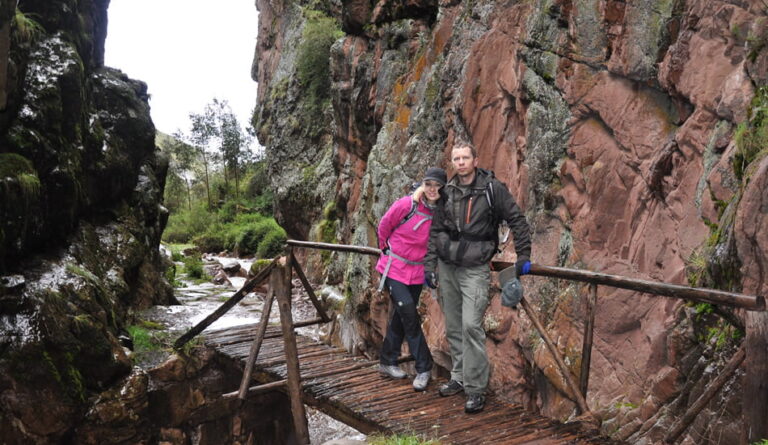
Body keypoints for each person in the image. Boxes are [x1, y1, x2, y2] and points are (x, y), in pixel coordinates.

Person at [424, 143, 532, 414]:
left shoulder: (492, 189)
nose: (461, 162)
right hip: (447, 267)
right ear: (452, 162)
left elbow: (517, 219)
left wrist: (524, 256)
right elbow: (436, 230)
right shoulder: (446, 192)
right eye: (456, 158)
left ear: (475, 159)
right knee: (454, 326)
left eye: (465, 158)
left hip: (475, 267)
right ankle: (459, 377)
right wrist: (429, 267)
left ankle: (475, 388)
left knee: (472, 325)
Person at [376, 167, 447, 392]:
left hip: (417, 272)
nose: (432, 189)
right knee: (408, 311)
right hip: (393, 268)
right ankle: (424, 367)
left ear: (443, 188)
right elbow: (384, 226)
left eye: (437, 186)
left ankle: (387, 361)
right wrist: (384, 250)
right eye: (429, 184)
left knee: (401, 315)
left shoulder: (442, 212)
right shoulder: (407, 205)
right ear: (423, 185)